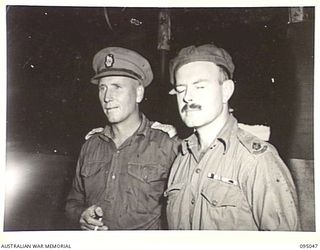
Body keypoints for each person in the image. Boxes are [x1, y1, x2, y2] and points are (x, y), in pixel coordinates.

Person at [164, 44, 301, 231]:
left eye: (200, 86)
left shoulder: (256, 161)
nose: (187, 97)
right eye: (181, 89)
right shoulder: (181, 159)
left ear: (226, 91)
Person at [65, 47, 178, 230]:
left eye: (117, 87)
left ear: (139, 93)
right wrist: (81, 215)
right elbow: (73, 201)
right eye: (103, 88)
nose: (107, 97)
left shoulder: (167, 145)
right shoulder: (91, 145)